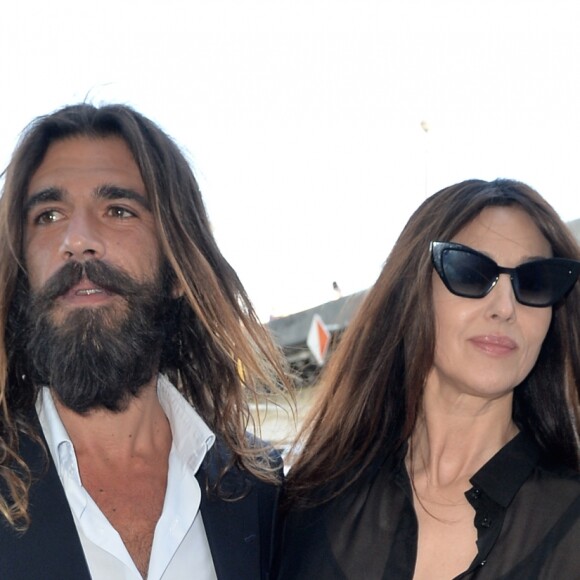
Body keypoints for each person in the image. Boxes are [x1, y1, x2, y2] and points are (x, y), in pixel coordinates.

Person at [0, 103, 291, 580]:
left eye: (118, 210)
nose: (77, 240)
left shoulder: (260, 490)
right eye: (49, 215)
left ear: (178, 268)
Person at [275, 179, 580, 579]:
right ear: (412, 289)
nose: (505, 307)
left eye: (535, 281)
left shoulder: (570, 524)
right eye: (471, 271)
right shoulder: (311, 499)